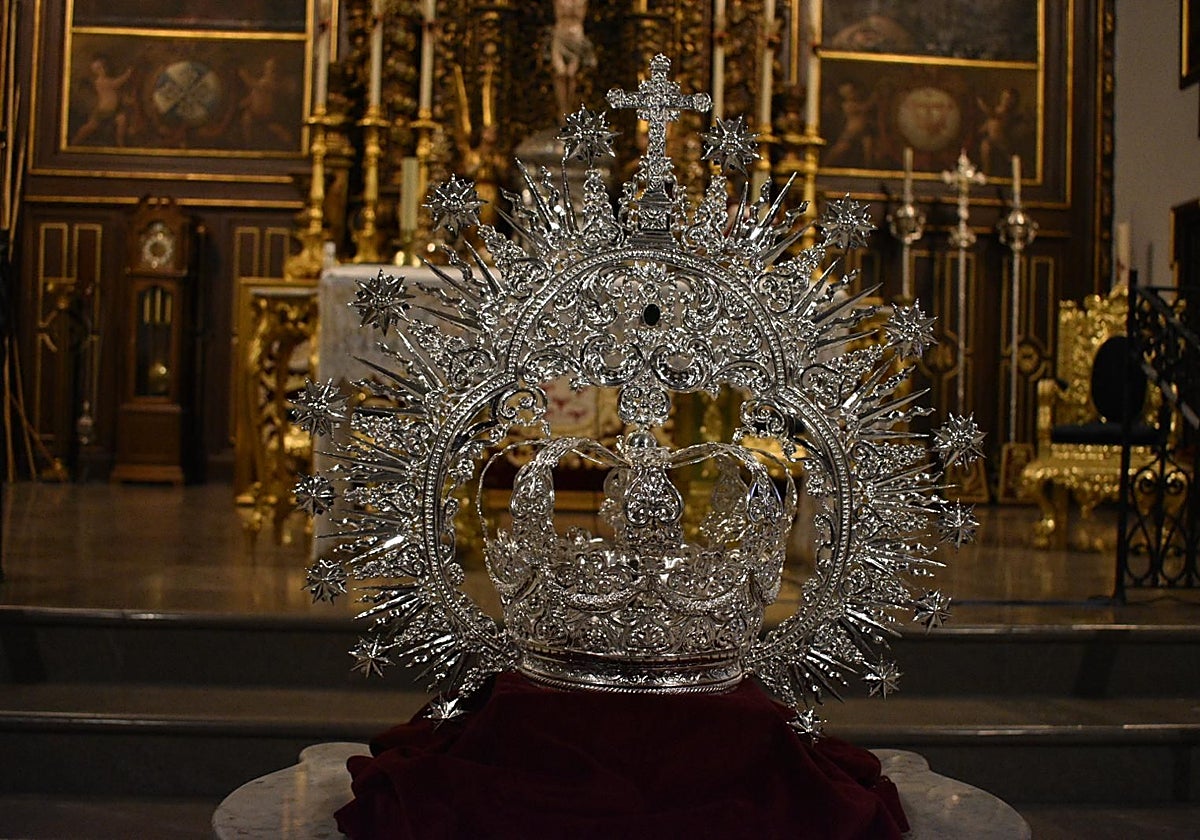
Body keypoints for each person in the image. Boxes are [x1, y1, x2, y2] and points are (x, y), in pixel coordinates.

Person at [72, 57, 132, 146]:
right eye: (99, 68)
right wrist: (128, 73)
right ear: (95, 71)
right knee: (90, 127)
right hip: (103, 111)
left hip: (113, 111)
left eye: (103, 67)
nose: (102, 70)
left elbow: (117, 92)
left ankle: (120, 143)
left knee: (122, 120)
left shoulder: (107, 79)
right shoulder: (100, 82)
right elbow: (117, 83)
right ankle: (74, 142)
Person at [549, 0, 595, 115]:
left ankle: (570, 108)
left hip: (576, 35)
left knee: (571, 74)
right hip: (560, 35)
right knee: (560, 73)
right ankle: (562, 108)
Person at [238, 57, 294, 149]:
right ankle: (248, 145)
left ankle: (291, 145)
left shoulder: (273, 83)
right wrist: (246, 102)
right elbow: (254, 94)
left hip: (268, 116)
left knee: (279, 131)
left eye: (273, 69)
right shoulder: (262, 80)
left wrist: (244, 76)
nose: (270, 71)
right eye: (268, 68)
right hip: (254, 114)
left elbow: (255, 85)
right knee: (246, 121)